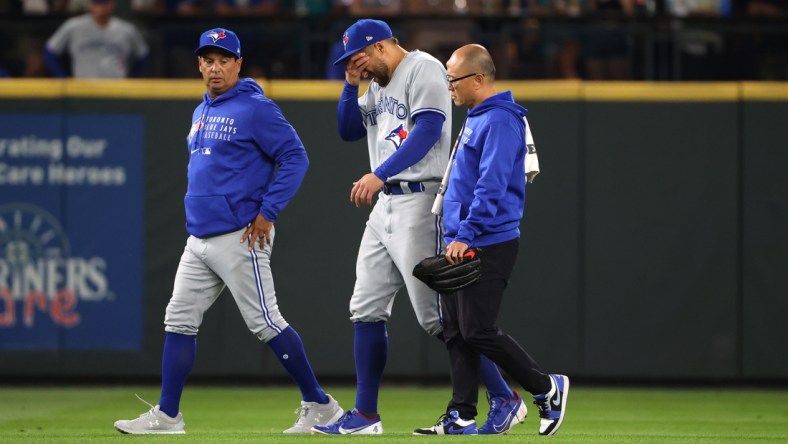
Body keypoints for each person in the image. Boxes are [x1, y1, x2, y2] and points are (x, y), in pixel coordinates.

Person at [113, 28, 342, 435]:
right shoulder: (201, 110)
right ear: (199, 64)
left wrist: (268, 212)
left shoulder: (256, 108)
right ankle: (168, 416)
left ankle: (321, 405)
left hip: (240, 235)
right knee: (179, 321)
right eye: (208, 59)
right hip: (197, 238)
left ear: (238, 63)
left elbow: (295, 157)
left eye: (223, 59)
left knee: (267, 323)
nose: (215, 67)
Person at [311, 19, 520, 436]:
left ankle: (504, 396)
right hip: (385, 203)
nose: (358, 64)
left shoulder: (423, 67)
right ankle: (366, 415)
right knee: (365, 307)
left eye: (360, 57)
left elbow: (427, 130)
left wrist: (379, 172)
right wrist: (350, 85)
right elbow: (349, 130)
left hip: (421, 200)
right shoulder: (373, 81)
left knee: (438, 318)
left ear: (382, 46)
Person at [413, 44, 569, 436]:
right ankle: (461, 414)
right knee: (455, 332)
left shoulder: (500, 120)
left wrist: (465, 235)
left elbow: (491, 186)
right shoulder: (478, 116)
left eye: (453, 78)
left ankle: (547, 387)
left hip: (487, 240)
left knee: (478, 330)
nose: (448, 84)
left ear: (478, 79)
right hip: (461, 239)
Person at [44, 0, 149, 78]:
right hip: (84, 90)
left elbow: (143, 54)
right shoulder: (74, 26)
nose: (101, 7)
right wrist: (62, 78)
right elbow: (50, 51)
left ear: (112, 4)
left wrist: (135, 80)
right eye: (97, 3)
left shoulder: (126, 29)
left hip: (117, 90)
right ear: (91, 4)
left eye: (104, 3)